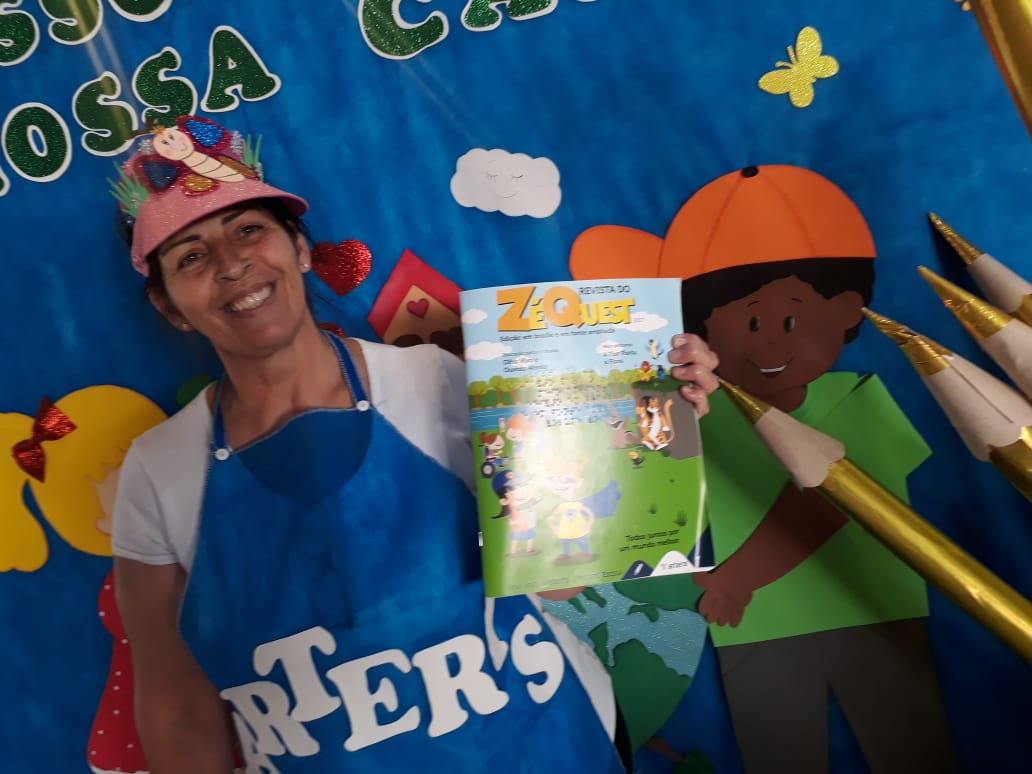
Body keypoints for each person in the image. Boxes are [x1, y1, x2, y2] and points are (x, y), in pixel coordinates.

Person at [109, 115, 719, 773]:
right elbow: (177, 706)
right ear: (170, 307)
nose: (232, 264)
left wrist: (654, 404)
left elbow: (564, 579)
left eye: (249, 230)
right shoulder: (158, 471)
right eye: (191, 256)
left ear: (301, 249)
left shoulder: (440, 381)